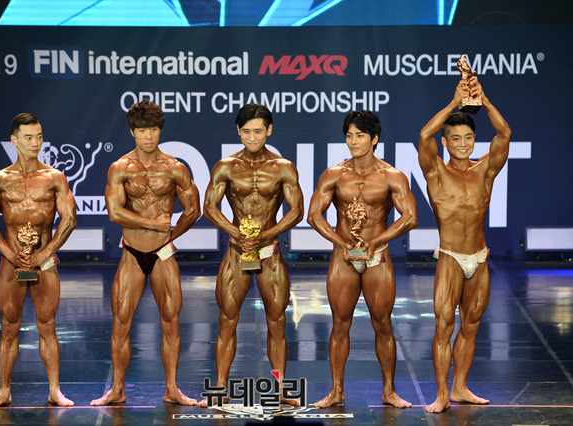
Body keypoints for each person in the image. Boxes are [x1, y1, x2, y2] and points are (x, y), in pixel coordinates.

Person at [90, 100, 200, 406]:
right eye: (141, 130)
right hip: (132, 253)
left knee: (171, 321)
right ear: (132, 132)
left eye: (152, 129)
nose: (148, 136)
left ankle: (172, 389)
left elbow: (194, 209)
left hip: (163, 254)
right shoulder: (120, 168)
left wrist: (170, 236)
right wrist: (152, 224)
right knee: (121, 323)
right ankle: (117, 390)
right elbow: (114, 212)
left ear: (160, 130)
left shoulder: (175, 168)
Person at [307, 110, 418, 409]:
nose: (353, 142)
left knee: (382, 324)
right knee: (339, 324)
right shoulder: (334, 174)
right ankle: (336, 391)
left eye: (360, 135)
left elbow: (410, 217)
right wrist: (341, 242)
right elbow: (314, 215)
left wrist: (375, 242)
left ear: (374, 139)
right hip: (343, 256)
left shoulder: (391, 176)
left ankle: (389, 392)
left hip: (377, 257)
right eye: (349, 135)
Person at [199, 103, 304, 407]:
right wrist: (237, 234)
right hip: (237, 251)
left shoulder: (283, 167)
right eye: (246, 131)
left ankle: (280, 389)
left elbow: (297, 211)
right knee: (227, 320)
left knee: (277, 321)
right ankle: (220, 389)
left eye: (258, 131)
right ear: (238, 131)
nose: (252, 137)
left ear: (269, 130)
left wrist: (265, 234)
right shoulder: (226, 166)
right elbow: (209, 207)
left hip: (269, 252)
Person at [418, 77, 511, 413]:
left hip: (479, 258)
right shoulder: (435, 172)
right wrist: (454, 104)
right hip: (451, 258)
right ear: (445, 142)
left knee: (471, 325)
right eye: (455, 138)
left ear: (474, 139)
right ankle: (442, 394)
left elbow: (504, 134)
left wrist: (483, 101)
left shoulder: (485, 170)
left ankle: (460, 387)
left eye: (468, 137)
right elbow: (424, 136)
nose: (462, 144)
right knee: (444, 326)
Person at [0, 113, 77, 408]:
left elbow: (69, 219)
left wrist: (44, 253)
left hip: (44, 262)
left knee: (48, 325)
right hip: (12, 263)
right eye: (28, 137)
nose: (35, 143)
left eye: (39, 137)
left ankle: (55, 391)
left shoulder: (54, 178)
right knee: (9, 327)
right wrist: (11, 255)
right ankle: (4, 392)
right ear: (14, 140)